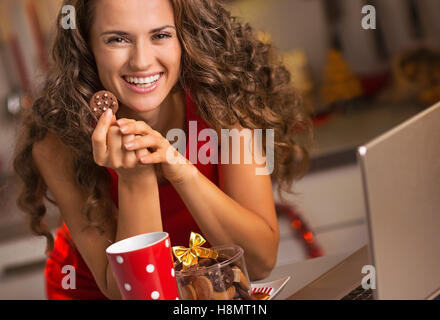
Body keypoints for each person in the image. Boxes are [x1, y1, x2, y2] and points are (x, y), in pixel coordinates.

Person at [13, 0, 313, 300]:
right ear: (86, 47)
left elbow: (259, 262)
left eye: (161, 35)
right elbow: (134, 293)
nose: (142, 61)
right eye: (117, 39)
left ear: (185, 37)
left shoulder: (222, 101)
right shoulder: (57, 143)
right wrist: (136, 177)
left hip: (199, 289)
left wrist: (181, 170)